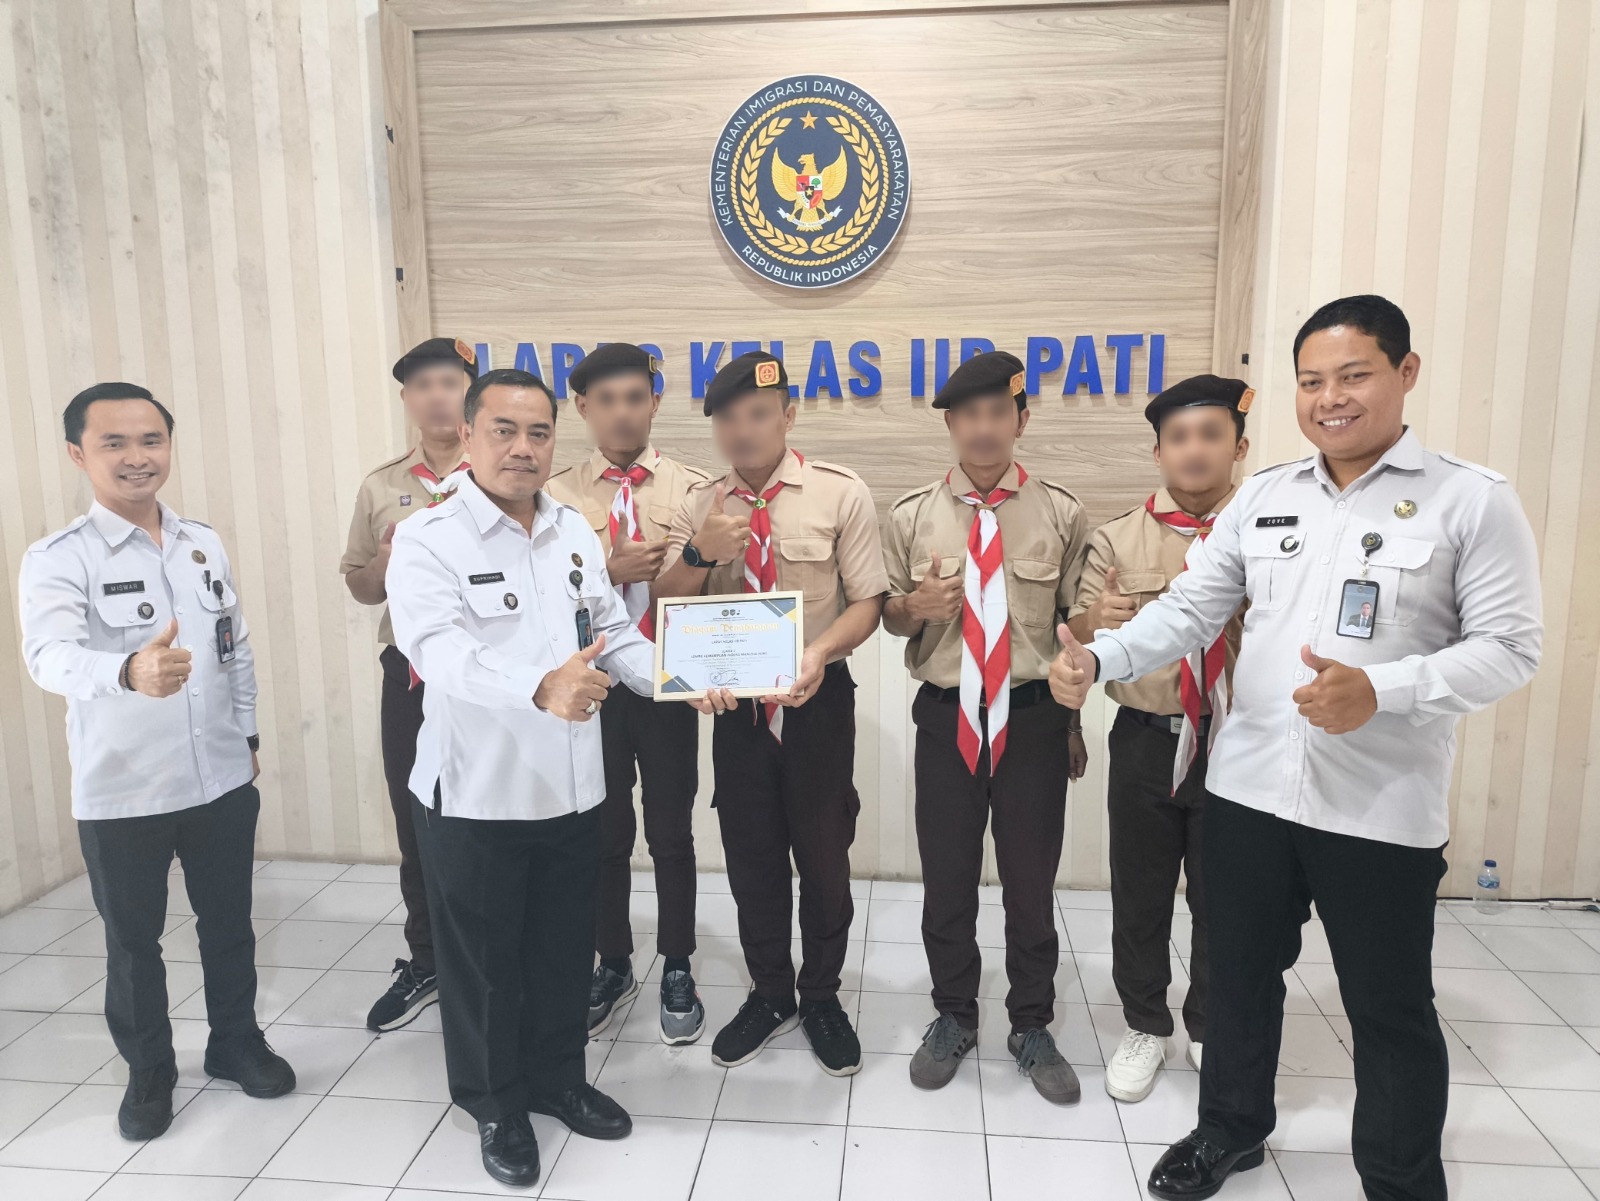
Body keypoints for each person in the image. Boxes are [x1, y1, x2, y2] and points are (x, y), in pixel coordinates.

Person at [1050, 295, 1543, 1201]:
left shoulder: (1470, 499)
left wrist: (1385, 689)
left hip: (1378, 806)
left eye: (1354, 375)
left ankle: (1399, 1177)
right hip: (1249, 793)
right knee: (1240, 980)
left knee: (1388, 1006)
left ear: (1405, 373)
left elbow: (1511, 647)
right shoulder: (1268, 496)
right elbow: (1192, 609)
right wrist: (1100, 657)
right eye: (1312, 381)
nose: (1331, 397)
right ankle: (1229, 1129)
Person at [387, 368, 654, 1189]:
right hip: (479, 793)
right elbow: (435, 648)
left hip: (571, 786)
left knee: (563, 951)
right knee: (485, 964)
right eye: (503, 430)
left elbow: (610, 630)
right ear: (467, 435)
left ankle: (557, 1078)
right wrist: (539, 685)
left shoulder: (572, 529)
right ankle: (495, 1101)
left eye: (538, 432)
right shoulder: (429, 538)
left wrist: (684, 678)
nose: (522, 448)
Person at [19, 382, 295, 1142]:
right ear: (78, 454)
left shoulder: (202, 542)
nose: (137, 457)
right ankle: (149, 1070)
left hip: (219, 776)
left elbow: (234, 646)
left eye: (151, 440)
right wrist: (126, 671)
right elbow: (47, 656)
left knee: (229, 923)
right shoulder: (59, 557)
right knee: (134, 941)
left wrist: (247, 736)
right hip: (123, 788)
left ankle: (236, 1041)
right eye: (114, 443)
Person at [654, 350, 888, 1077]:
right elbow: (668, 607)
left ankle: (820, 995)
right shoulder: (700, 503)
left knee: (824, 858)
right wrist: (701, 551)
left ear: (787, 415)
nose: (742, 430)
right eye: (727, 418)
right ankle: (770, 992)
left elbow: (868, 602)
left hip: (820, 702)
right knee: (751, 856)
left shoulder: (840, 493)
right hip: (737, 713)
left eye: (758, 414)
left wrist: (819, 652)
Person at [880, 350, 1089, 1104]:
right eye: (968, 415)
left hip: (1033, 723)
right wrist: (914, 608)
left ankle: (1031, 1023)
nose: (983, 428)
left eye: (998, 412)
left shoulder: (1062, 513)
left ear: (1020, 420)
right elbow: (888, 615)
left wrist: (1073, 720)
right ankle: (954, 1015)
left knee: (1031, 885)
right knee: (947, 881)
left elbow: (1073, 628)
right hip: (948, 722)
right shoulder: (910, 515)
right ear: (951, 424)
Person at [1067, 374, 1251, 1104]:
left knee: (1224, 895)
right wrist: (1098, 621)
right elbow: (1076, 636)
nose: (1194, 450)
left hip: (1238, 740)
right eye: (1179, 438)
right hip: (1145, 737)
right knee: (1140, 894)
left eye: (1211, 435)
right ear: (1158, 452)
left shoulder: (1269, 533)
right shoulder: (1117, 537)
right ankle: (1144, 1022)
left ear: (1239, 446)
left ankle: (1207, 1022)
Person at [545, 343, 711, 1043]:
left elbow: (707, 595)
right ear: (583, 407)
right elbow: (545, 603)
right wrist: (608, 571)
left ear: (655, 401)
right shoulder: (553, 496)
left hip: (670, 687)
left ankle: (678, 963)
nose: (622, 412)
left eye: (636, 398)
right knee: (604, 833)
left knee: (672, 833)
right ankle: (612, 961)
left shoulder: (696, 490)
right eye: (606, 400)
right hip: (595, 688)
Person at [340, 336, 475, 1032]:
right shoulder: (380, 486)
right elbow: (362, 586)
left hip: (485, 679)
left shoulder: (508, 471)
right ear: (407, 399)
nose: (437, 395)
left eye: (450, 381)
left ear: (471, 390)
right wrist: (386, 564)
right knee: (415, 817)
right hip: (412, 676)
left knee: (487, 817)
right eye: (423, 385)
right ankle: (427, 957)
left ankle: (488, 955)